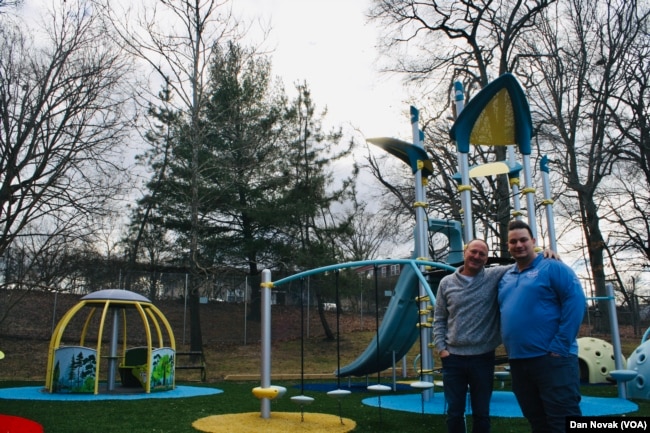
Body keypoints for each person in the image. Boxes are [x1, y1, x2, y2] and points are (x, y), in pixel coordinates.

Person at [498, 219, 585, 433]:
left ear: (533, 241)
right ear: (508, 246)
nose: (519, 245)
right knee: (536, 420)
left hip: (552, 360)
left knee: (562, 420)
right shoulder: (505, 277)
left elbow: (576, 303)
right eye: (513, 241)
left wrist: (560, 345)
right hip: (519, 362)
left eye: (523, 240)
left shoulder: (553, 267)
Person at [433, 238, 509, 433]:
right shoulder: (446, 283)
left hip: (483, 357)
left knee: (482, 413)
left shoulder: (493, 276)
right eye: (473, 252)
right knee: (454, 413)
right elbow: (439, 319)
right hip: (453, 359)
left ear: (486, 259)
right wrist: (442, 349)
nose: (476, 256)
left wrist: (548, 256)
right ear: (465, 252)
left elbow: (523, 262)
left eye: (482, 254)